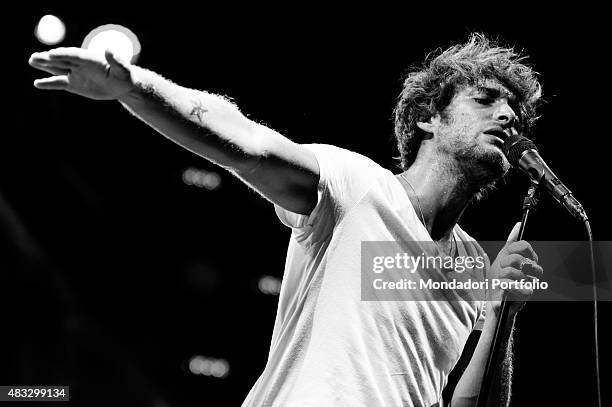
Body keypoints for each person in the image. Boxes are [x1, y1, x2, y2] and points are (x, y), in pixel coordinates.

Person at [29, 33, 544, 407]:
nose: (507, 116)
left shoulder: (475, 266)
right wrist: (133, 85)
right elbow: (244, 142)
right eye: (485, 100)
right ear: (427, 118)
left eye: (516, 111)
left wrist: (502, 313)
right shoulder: (357, 185)